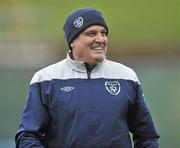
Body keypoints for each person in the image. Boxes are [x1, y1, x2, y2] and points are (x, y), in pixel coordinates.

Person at [15, 7, 159, 148]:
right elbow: (28, 137)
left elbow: (147, 137)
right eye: (91, 34)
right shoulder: (45, 79)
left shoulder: (127, 77)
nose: (100, 39)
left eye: (103, 33)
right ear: (73, 41)